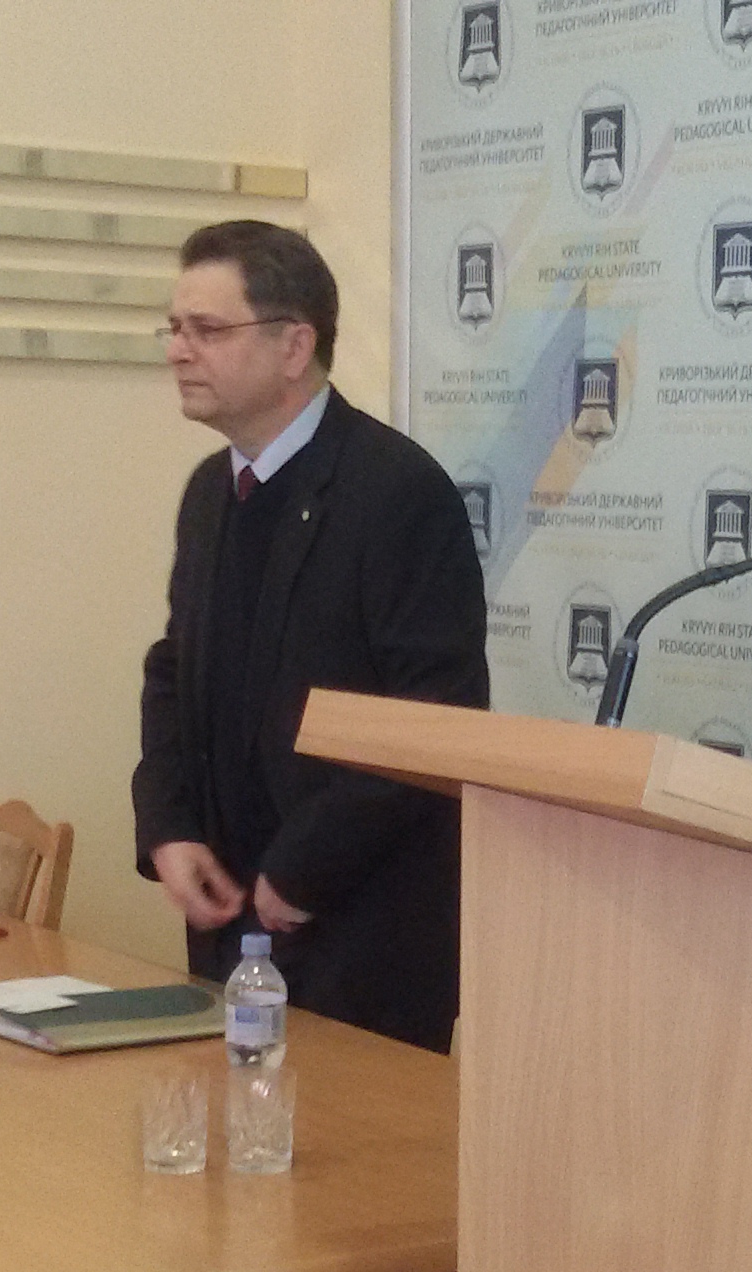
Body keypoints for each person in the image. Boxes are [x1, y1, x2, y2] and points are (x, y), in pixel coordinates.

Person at [133, 220, 489, 1052]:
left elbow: (432, 718)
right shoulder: (210, 492)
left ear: (295, 345)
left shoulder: (395, 491)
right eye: (174, 328)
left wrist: (302, 870)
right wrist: (169, 827)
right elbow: (174, 671)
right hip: (229, 923)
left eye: (207, 329)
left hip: (359, 930)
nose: (179, 351)